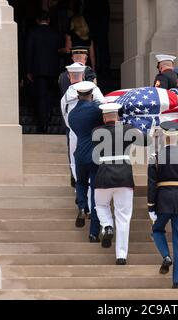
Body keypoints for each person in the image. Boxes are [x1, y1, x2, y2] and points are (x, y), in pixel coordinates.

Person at [93, 103, 150, 265]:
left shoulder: (96, 131)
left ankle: (107, 226)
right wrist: (135, 128)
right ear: (117, 116)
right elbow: (146, 141)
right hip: (124, 176)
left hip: (104, 175)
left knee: (101, 205)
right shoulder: (127, 129)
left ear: (104, 117)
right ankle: (121, 255)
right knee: (123, 217)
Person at [148, 121, 178, 289]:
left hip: (163, 199)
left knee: (157, 230)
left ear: (163, 136)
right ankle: (177, 280)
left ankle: (165, 256)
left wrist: (150, 206)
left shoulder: (155, 157)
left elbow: (152, 184)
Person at [68, 81, 104, 242]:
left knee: (81, 183)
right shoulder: (96, 110)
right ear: (91, 94)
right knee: (96, 193)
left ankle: (82, 207)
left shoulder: (72, 114)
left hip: (80, 153)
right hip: (95, 153)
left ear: (77, 96)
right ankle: (93, 232)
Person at [60, 63, 105, 183]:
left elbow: (65, 116)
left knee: (75, 161)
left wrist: (72, 127)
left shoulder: (66, 95)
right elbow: (103, 106)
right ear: (84, 75)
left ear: (69, 76)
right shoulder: (92, 88)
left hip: (75, 131)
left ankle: (79, 185)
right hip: (93, 130)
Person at [25, 10, 62, 133]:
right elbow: (59, 52)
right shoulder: (55, 33)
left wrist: (28, 70)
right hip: (53, 69)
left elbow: (29, 52)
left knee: (41, 97)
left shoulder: (32, 32)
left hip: (38, 69)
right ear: (49, 20)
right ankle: (48, 117)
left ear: (37, 20)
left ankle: (43, 124)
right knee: (50, 95)